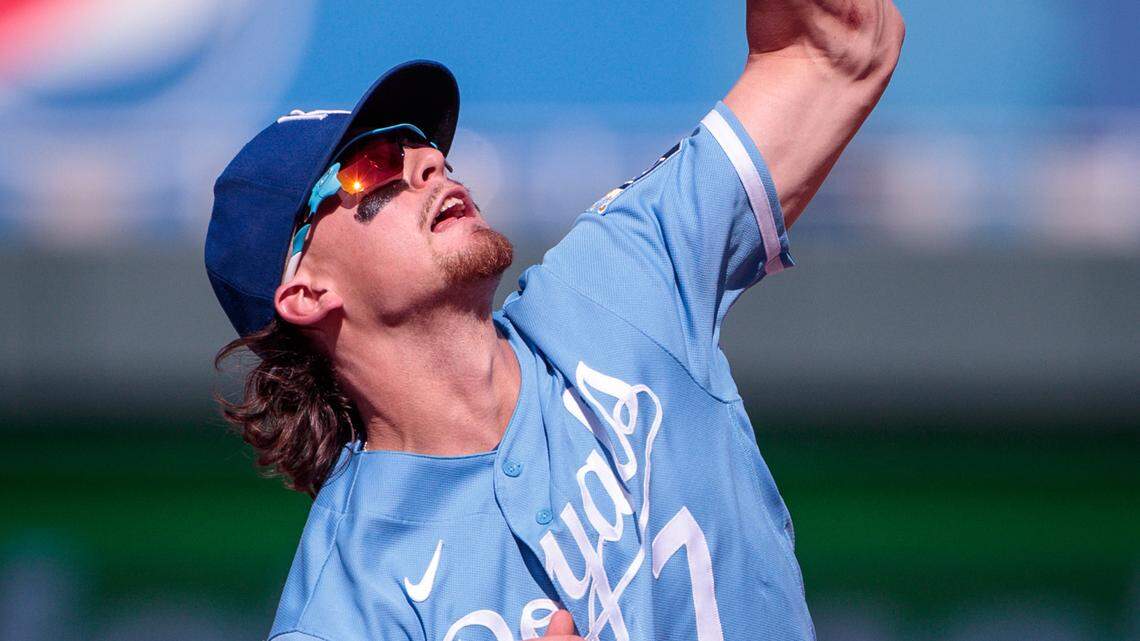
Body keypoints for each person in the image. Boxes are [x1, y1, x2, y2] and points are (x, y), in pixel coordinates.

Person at [206, 1, 903, 639]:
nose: (428, 161)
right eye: (374, 165)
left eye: (426, 145)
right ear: (305, 290)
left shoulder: (617, 279)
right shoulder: (346, 608)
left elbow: (841, 47)